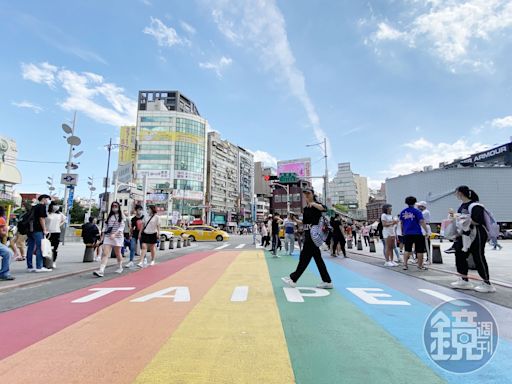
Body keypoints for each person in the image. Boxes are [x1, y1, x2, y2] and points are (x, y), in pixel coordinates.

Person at [282, 188, 333, 289]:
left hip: (314, 236)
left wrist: (313, 204)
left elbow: (325, 208)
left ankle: (293, 279)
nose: (307, 196)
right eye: (305, 194)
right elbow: (304, 223)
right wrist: (295, 220)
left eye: (309, 193)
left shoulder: (317, 205)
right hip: (308, 235)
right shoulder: (306, 209)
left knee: (304, 258)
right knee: (317, 259)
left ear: (313, 194)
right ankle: (327, 281)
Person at [450, 186, 495, 293]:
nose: (455, 195)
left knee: (478, 256)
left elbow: (478, 221)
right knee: (460, 254)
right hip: (464, 234)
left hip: (477, 233)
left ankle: (487, 283)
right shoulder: (462, 206)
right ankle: (464, 279)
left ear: (460, 193)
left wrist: (461, 219)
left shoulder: (475, 205)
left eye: (456, 193)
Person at [93, 202, 125, 277]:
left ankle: (120, 266)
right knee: (105, 253)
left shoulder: (121, 216)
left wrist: (115, 234)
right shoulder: (109, 216)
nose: (114, 207)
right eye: (113, 206)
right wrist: (102, 236)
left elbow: (121, 227)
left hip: (118, 237)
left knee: (118, 253)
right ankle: (101, 270)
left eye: (116, 206)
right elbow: (105, 226)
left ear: (118, 207)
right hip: (108, 236)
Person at [400, 196, 429, 271]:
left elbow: (402, 223)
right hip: (417, 233)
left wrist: (403, 231)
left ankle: (405, 265)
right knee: (419, 250)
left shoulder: (403, 212)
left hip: (407, 233)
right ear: (415, 202)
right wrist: (426, 230)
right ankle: (420, 266)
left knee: (407, 249)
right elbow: (421, 221)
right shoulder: (417, 211)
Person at [26, 194, 52, 272]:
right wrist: (44, 229)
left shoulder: (34, 207)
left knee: (30, 248)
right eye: (48, 199)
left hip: (30, 230)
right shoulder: (42, 206)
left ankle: (29, 267)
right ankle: (39, 267)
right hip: (38, 230)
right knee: (40, 248)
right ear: (44, 199)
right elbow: (42, 219)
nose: (48, 201)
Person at [45, 202, 66, 269]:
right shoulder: (47, 214)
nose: (56, 207)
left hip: (56, 232)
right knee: (46, 248)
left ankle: (53, 261)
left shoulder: (60, 215)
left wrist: (59, 225)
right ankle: (46, 261)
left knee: (55, 248)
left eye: (57, 205)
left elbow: (64, 220)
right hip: (48, 232)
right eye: (54, 205)